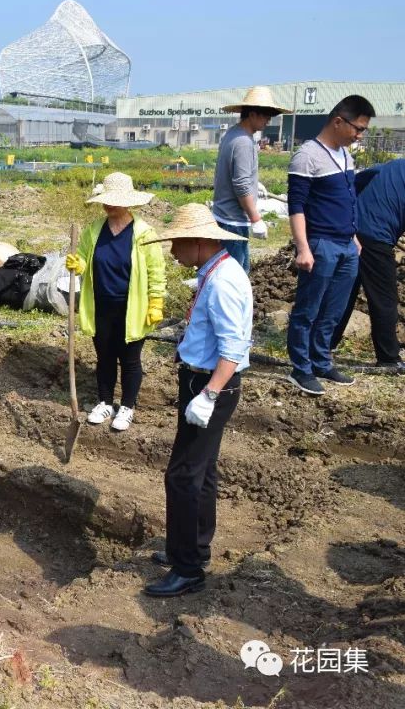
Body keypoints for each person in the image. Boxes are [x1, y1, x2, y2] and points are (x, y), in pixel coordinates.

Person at [140, 204, 252, 598]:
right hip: (202, 381)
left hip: (211, 385)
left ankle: (187, 568)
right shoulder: (214, 272)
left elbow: (234, 348)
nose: (172, 252)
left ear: (200, 242)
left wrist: (208, 395)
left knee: (182, 475)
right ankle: (193, 549)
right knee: (201, 472)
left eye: (177, 244)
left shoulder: (224, 282)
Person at [285, 95, 375, 395]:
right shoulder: (307, 155)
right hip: (320, 243)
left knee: (333, 310)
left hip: (346, 245)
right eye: (358, 128)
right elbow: (296, 205)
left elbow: (346, 200)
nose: (359, 135)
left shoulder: (346, 156)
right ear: (339, 121)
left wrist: (353, 237)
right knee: (308, 309)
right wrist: (303, 247)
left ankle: (321, 360)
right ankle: (301, 368)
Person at [65, 172, 166, 431]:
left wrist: (156, 303)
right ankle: (105, 402)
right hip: (101, 304)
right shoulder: (94, 230)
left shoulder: (144, 233)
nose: (108, 205)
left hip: (132, 307)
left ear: (127, 201)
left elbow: (156, 272)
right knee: (105, 357)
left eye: (114, 200)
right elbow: (85, 258)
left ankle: (127, 407)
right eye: (105, 200)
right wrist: (79, 263)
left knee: (130, 360)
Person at [331, 159, 405, 369]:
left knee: (345, 291)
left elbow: (357, 181)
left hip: (349, 230)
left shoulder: (396, 165)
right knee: (384, 298)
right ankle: (389, 358)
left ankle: (323, 345)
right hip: (376, 235)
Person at [213, 86, 292, 273]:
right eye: (265, 116)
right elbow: (240, 184)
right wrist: (256, 218)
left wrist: (254, 185)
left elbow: (235, 175)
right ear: (253, 114)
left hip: (225, 215)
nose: (268, 121)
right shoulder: (243, 142)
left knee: (233, 272)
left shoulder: (233, 134)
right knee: (233, 277)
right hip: (233, 220)